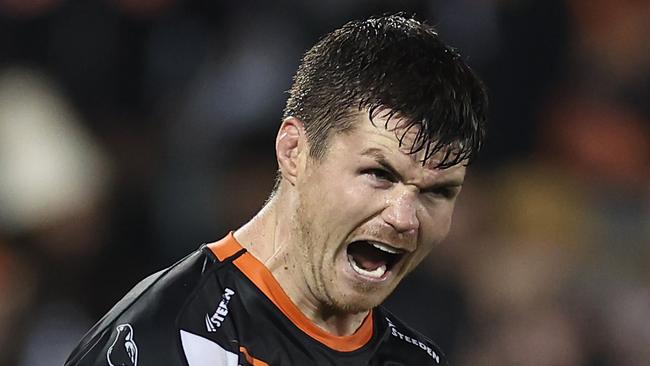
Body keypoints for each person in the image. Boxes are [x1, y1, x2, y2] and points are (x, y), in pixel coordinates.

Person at [65, 14, 487, 366]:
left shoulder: (417, 359)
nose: (404, 218)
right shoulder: (169, 340)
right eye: (379, 174)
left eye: (438, 193)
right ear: (294, 151)